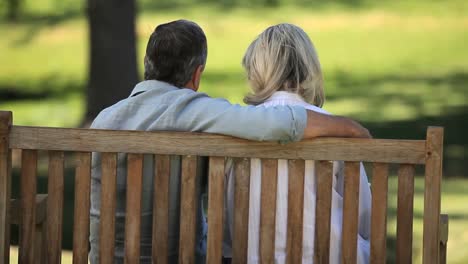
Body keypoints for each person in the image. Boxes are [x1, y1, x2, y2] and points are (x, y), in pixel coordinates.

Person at [88, 20, 370, 263]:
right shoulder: (198, 112)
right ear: (197, 75)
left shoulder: (104, 120)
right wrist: (349, 127)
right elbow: (274, 124)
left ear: (148, 65)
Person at [223, 24, 372, 264]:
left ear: (257, 70)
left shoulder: (240, 129)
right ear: (308, 68)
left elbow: (229, 225)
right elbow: (363, 218)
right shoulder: (335, 129)